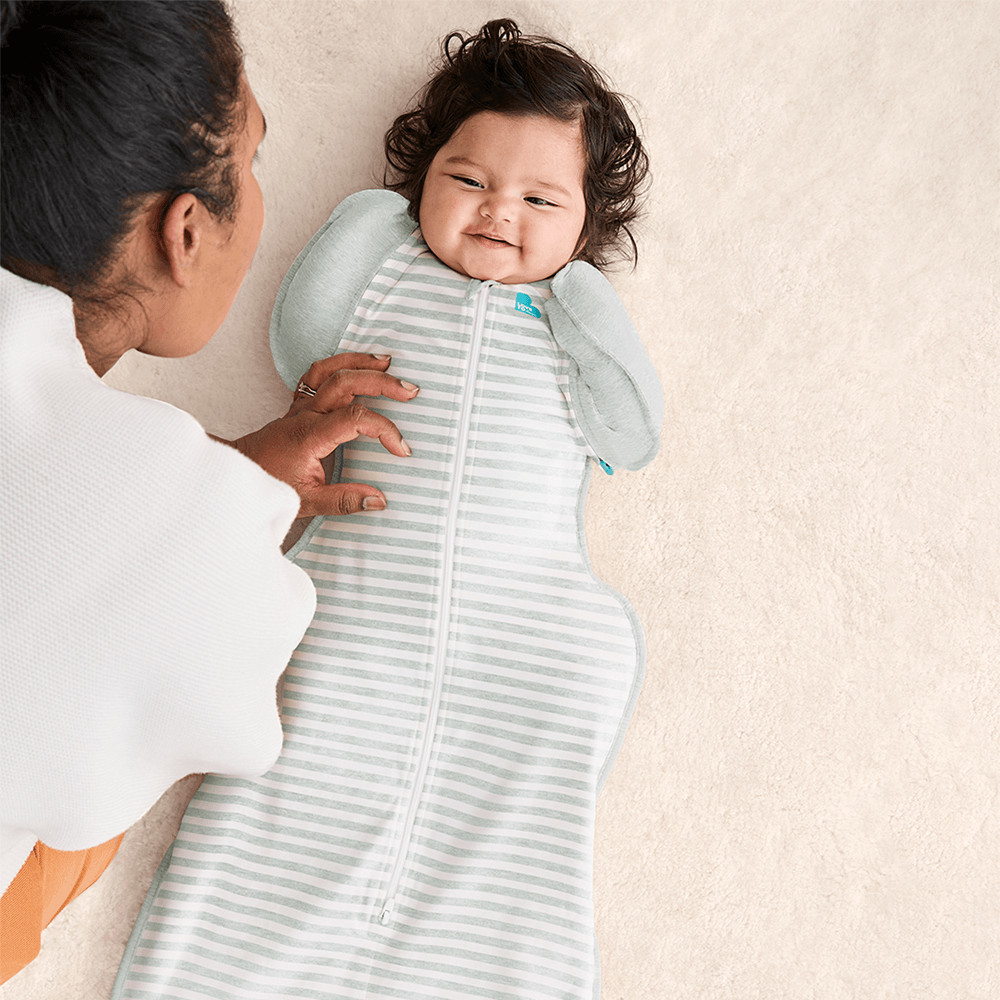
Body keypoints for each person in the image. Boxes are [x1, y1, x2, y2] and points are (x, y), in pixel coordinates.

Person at [113, 20, 663, 1000]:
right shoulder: (391, 265)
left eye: (541, 200)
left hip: (520, 617)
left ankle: (477, 962)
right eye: (467, 179)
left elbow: (629, 433)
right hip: (367, 598)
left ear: (585, 226)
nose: (498, 211)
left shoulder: (568, 320)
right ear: (421, 180)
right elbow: (303, 342)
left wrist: (581, 292)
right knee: (301, 737)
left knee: (552, 711)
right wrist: (376, 218)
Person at [0, 0, 415, 982]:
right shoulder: (177, 524)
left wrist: (207, 485)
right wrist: (225, 508)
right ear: (183, 233)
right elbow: (231, 710)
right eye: (253, 159)